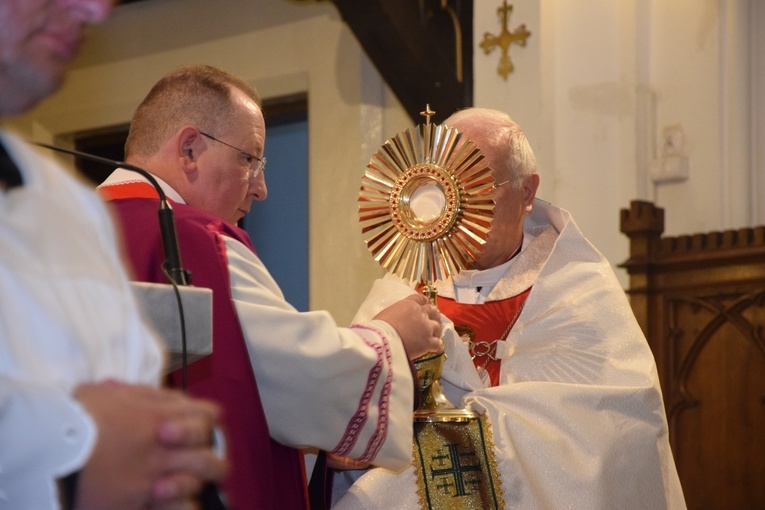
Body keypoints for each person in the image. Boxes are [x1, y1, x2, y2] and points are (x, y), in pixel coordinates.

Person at [97, 65, 443, 509]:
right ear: (189, 149)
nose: (260, 188)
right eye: (249, 159)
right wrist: (392, 338)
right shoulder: (193, 241)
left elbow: (248, 393)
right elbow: (302, 380)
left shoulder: (54, 231)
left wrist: (315, 453)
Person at [332, 108, 687, 508]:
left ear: (528, 191)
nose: (460, 207)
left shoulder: (576, 291)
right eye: (447, 185)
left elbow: (618, 432)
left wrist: (474, 428)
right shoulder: (398, 295)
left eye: (478, 184)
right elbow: (343, 420)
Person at [0, 1, 227, 509]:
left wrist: (168, 451)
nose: (96, 10)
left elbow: (141, 405)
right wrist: (78, 450)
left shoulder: (73, 206)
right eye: (249, 160)